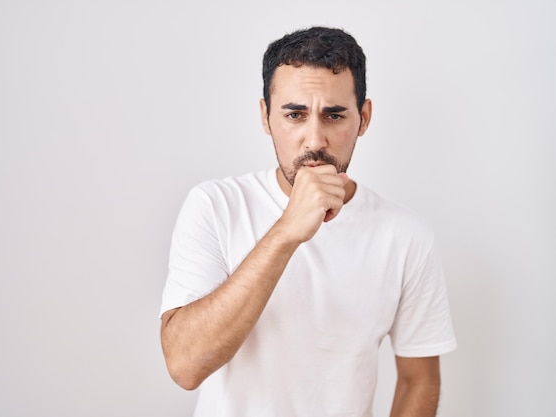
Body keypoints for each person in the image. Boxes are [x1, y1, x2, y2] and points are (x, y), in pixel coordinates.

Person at [159, 26, 456, 417]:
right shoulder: (215, 206)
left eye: (334, 115)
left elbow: (420, 380)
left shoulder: (405, 236)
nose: (314, 140)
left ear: (364, 118)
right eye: (295, 114)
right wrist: (287, 231)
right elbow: (185, 366)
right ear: (266, 117)